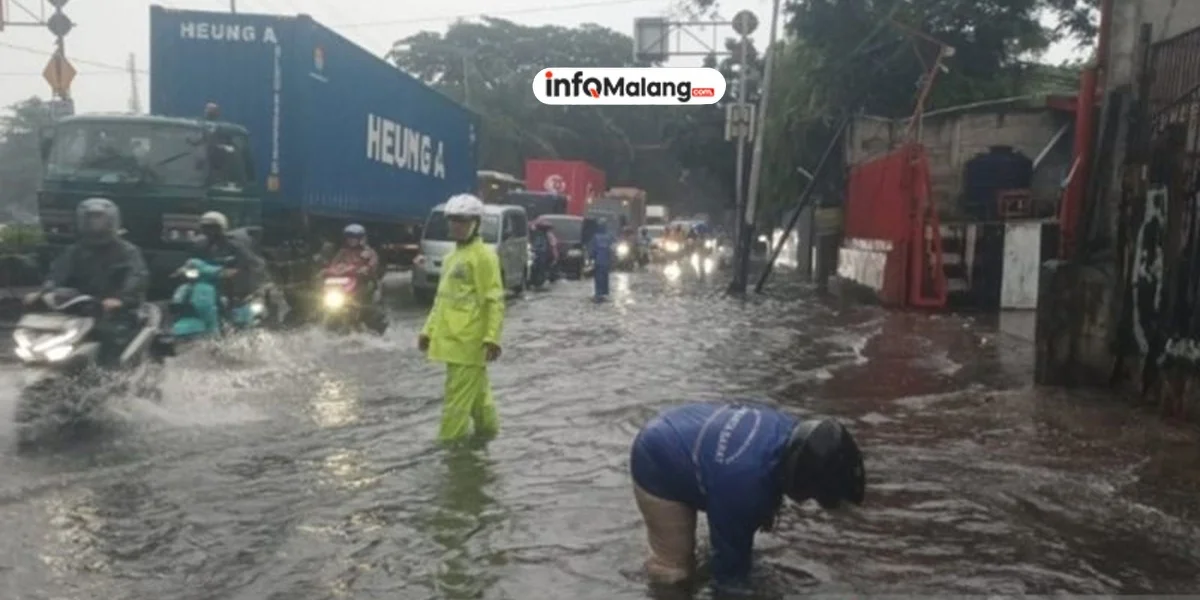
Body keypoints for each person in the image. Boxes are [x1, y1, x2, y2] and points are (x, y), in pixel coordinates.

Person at [630, 402, 865, 593]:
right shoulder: (743, 487)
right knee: (675, 571)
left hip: (685, 425)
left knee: (729, 540)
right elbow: (728, 577)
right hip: (656, 457)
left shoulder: (790, 429)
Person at [418, 194, 504, 442]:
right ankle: (489, 439)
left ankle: (449, 453)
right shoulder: (450, 258)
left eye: (462, 221)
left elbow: (494, 300)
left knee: (455, 405)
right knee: (480, 401)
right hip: (451, 341)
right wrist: (428, 331)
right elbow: (442, 300)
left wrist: (492, 338)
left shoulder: (484, 257)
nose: (456, 226)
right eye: (453, 220)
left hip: (469, 343)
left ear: (476, 223)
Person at [27, 198, 149, 367]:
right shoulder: (74, 251)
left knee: (108, 336)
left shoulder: (128, 252)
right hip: (79, 309)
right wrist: (44, 292)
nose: (94, 223)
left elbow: (137, 277)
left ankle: (112, 380)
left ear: (112, 220)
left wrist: (121, 299)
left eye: (99, 218)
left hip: (116, 312)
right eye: (90, 218)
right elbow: (56, 275)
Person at [193, 211, 266, 305]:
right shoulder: (199, 244)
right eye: (205, 227)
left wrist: (237, 269)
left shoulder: (233, 244)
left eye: (213, 227)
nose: (209, 231)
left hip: (228, 282)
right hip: (207, 279)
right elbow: (193, 260)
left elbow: (249, 260)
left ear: (221, 228)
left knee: (234, 299)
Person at [327, 223, 386, 331]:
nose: (351, 240)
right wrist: (327, 271)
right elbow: (333, 265)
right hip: (346, 285)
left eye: (354, 238)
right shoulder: (342, 252)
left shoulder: (368, 252)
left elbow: (373, 264)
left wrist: (366, 269)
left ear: (361, 239)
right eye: (349, 238)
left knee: (367, 303)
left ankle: (366, 316)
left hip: (364, 284)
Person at [587, 220, 614, 301]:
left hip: (598, 262)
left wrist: (590, 258)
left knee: (598, 278)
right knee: (605, 278)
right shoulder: (609, 237)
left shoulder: (595, 237)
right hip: (606, 262)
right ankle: (604, 293)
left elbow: (592, 250)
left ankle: (598, 294)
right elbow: (612, 249)